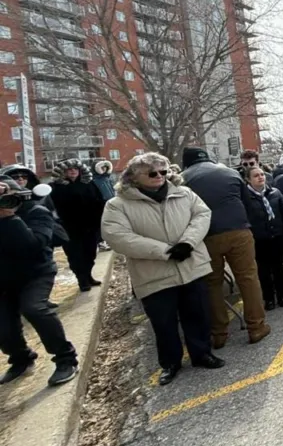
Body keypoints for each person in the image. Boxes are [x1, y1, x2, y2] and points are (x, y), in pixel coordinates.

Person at [101, 153, 225, 385]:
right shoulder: (117, 205)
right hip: (153, 274)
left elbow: (202, 215)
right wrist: (164, 251)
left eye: (163, 171)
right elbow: (117, 237)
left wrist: (188, 242)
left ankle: (202, 354)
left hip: (191, 265)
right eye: (152, 173)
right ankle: (170, 363)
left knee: (197, 314)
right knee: (163, 323)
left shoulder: (183, 193)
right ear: (134, 177)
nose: (160, 176)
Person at [181, 147, 270, 347]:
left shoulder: (182, 179)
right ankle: (257, 327)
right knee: (248, 278)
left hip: (206, 235)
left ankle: (219, 333)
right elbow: (248, 204)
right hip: (239, 230)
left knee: (212, 283)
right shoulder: (229, 172)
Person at [0, 174, 79, 387]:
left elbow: (34, 246)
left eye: (8, 197)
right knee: (4, 325)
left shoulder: (36, 212)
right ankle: (21, 358)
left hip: (36, 273)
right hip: (4, 279)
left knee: (34, 308)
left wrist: (9, 217)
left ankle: (66, 358)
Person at [243, 166, 283, 311]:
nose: (260, 177)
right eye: (256, 176)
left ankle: (282, 294)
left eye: (262, 174)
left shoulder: (274, 192)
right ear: (248, 179)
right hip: (259, 238)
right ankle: (269, 297)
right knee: (263, 269)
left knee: (278, 266)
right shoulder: (246, 197)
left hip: (276, 235)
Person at [48, 159, 104, 292]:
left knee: (90, 254)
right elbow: (51, 207)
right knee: (75, 256)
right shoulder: (55, 187)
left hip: (90, 227)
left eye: (75, 169)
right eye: (69, 169)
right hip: (69, 229)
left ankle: (88, 275)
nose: (73, 171)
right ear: (63, 172)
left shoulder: (89, 184)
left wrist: (100, 220)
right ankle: (82, 280)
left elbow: (99, 202)